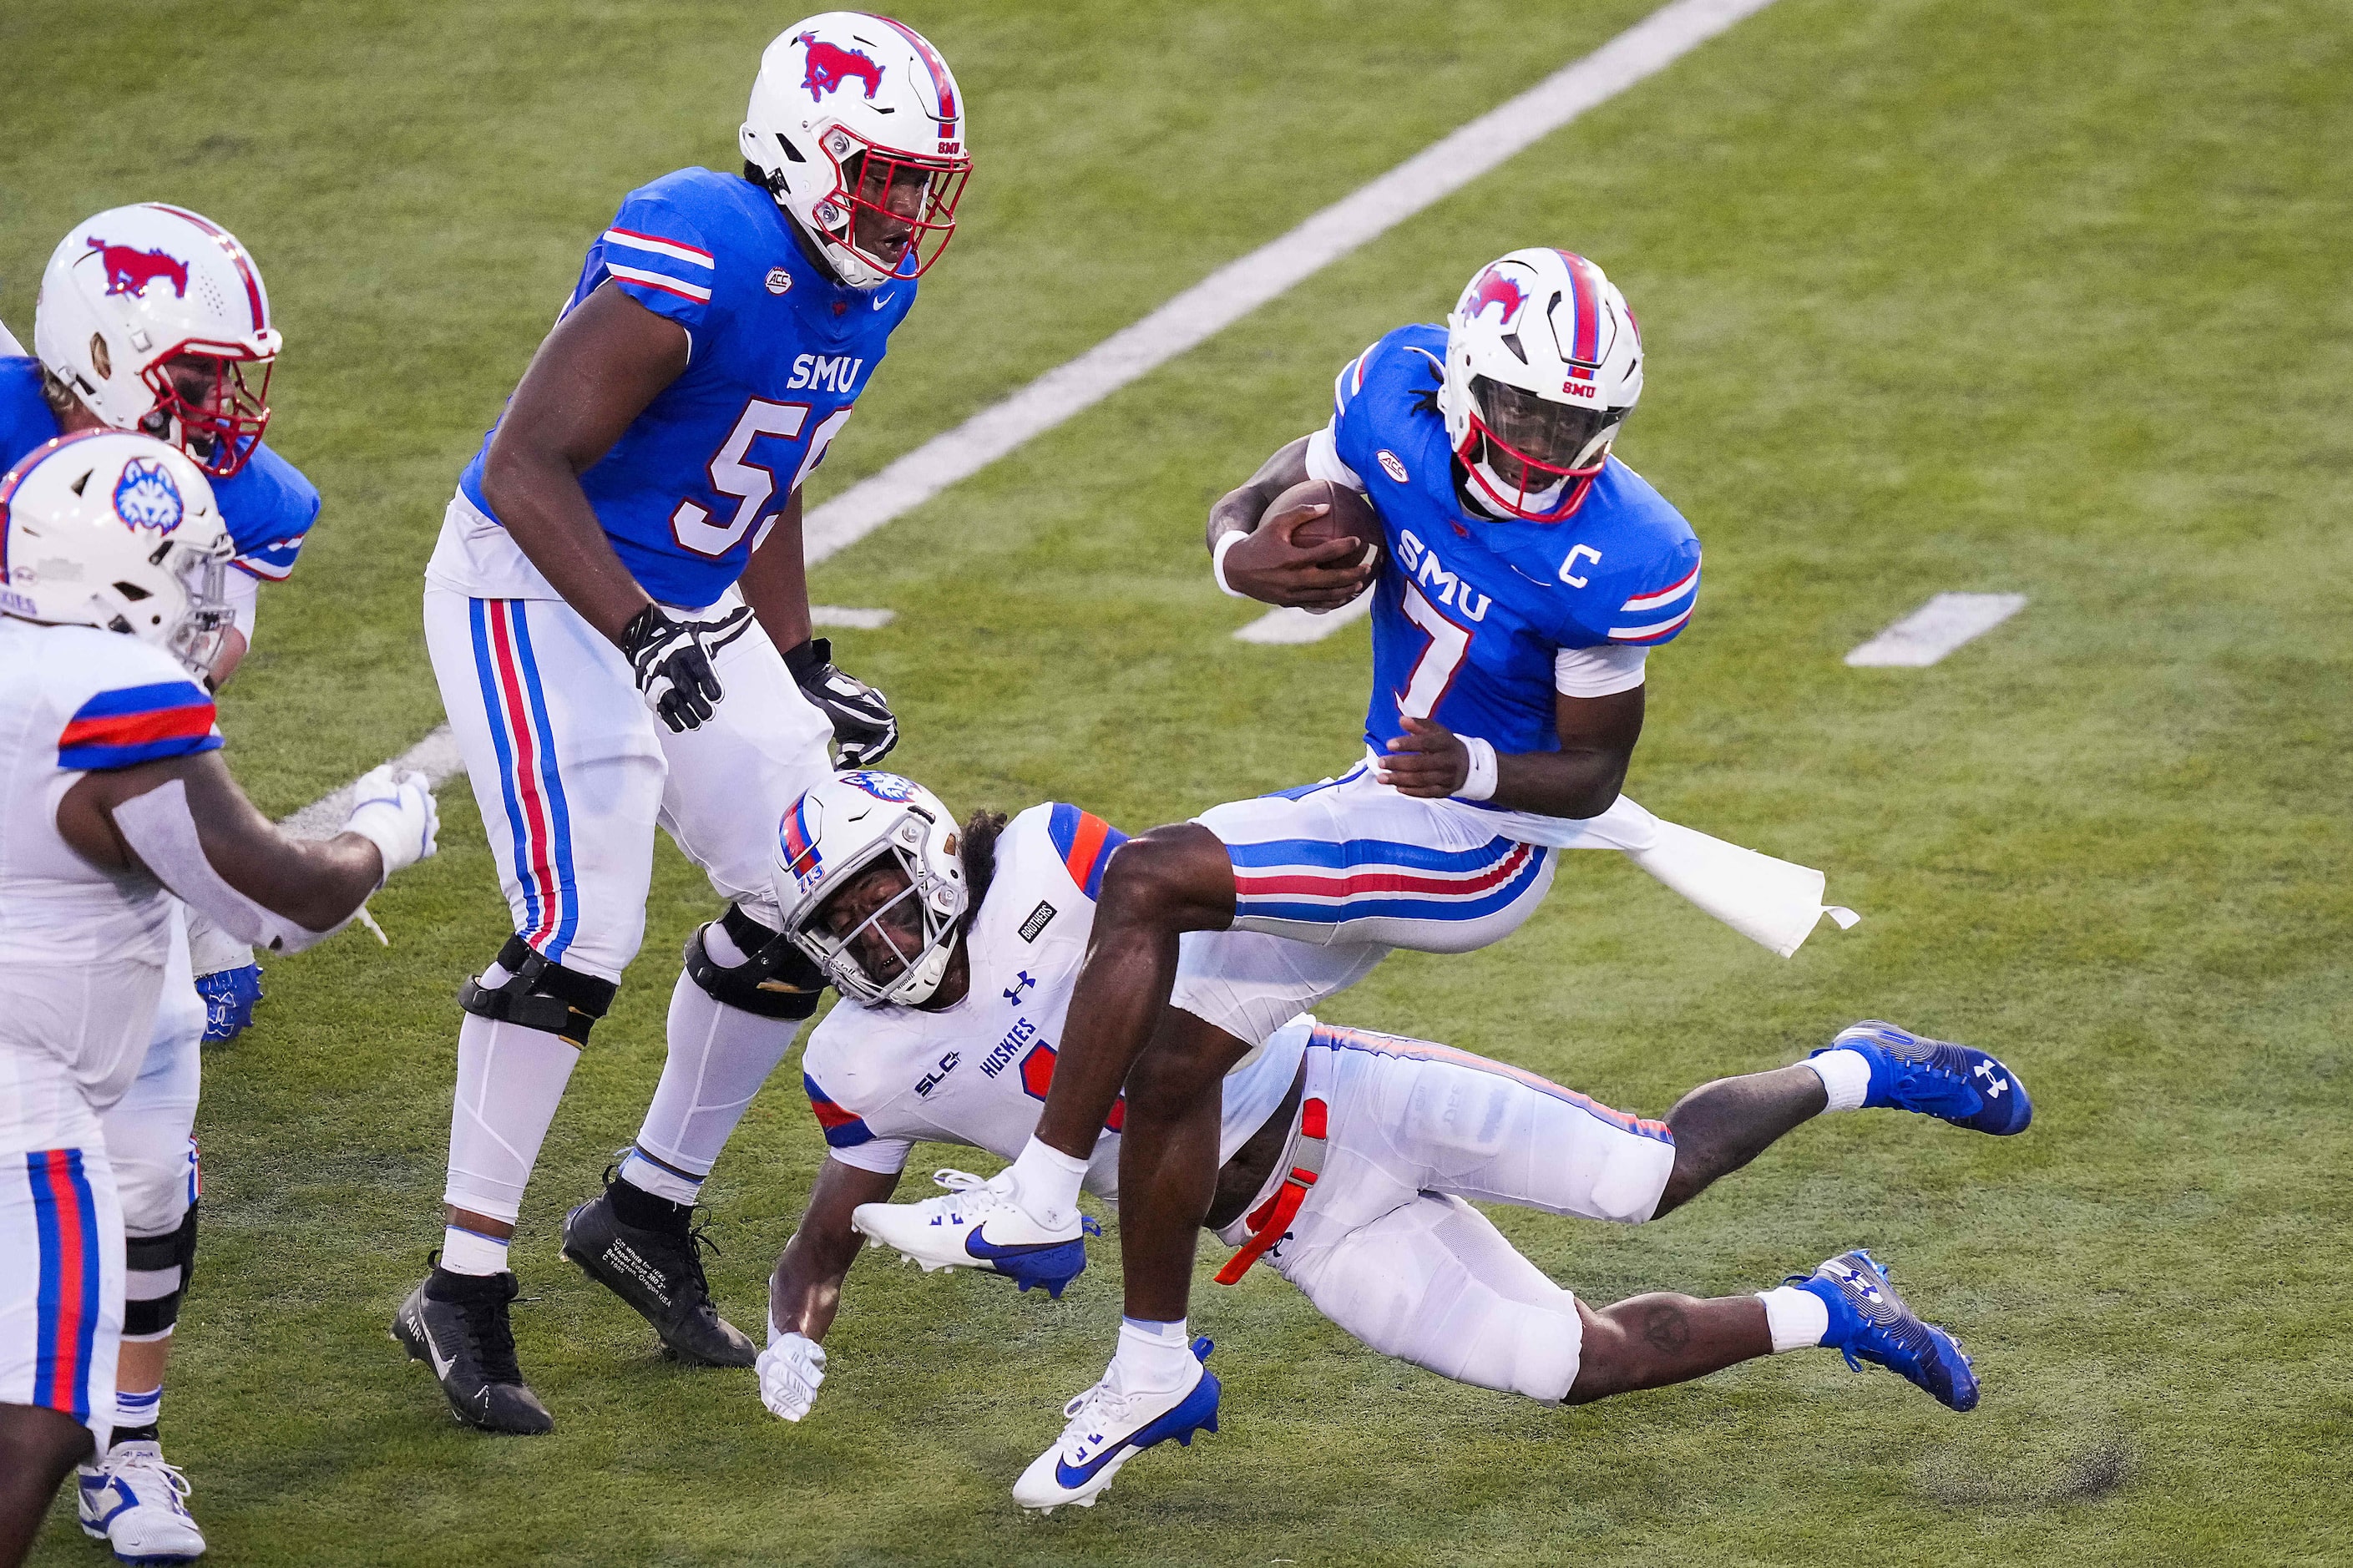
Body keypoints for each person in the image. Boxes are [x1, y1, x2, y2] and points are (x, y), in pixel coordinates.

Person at [851, 246, 1870, 1497]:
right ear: (1463, 383)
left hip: (1481, 846)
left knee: (1150, 877)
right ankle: (1151, 1365)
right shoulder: (1395, 394)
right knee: (1174, 1064)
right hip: (1378, 796)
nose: (1549, 441)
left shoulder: (1622, 549)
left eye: (1577, 419)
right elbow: (1262, 494)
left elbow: (1593, 774)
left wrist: (1480, 771)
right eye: (1527, 408)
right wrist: (1242, 558)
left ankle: (1040, 1195)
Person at [751, 771, 2027, 1511]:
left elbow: (1181, 923)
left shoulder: (1044, 859)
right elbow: (821, 1236)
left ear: (925, 853)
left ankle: (1858, 1064)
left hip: (1338, 1094)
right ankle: (1831, 1305)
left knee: (1646, 1174)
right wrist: (794, 1331)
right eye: (836, 922)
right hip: (1290, 1228)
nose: (867, 935)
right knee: (1566, 1368)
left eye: (873, 895)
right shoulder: (857, 1059)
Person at [402, 12, 973, 1433]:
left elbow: (766, 466)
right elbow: (523, 463)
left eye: (922, 182)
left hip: (686, 599)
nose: (904, 211)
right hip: (532, 585)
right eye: (881, 175)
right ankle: (461, 1285)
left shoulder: (864, 290)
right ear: (794, 148)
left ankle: (644, 1207)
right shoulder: (703, 237)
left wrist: (799, 654)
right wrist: (646, 635)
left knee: (846, 888)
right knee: (578, 930)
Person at [0, 432, 435, 1568]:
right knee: (41, 1408)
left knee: (138, 1205)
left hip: (85, 1014)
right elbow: (284, 904)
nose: (208, 602)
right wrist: (385, 834)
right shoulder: (114, 691)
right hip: (25, 1067)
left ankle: (130, 1449)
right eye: (191, 569)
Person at [3, 203, 321, 1564]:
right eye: (194, 374)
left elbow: (197, 667)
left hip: (95, 850)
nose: (221, 408)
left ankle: (125, 1449)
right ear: (98, 352)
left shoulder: (239, 497)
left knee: (145, 1180)